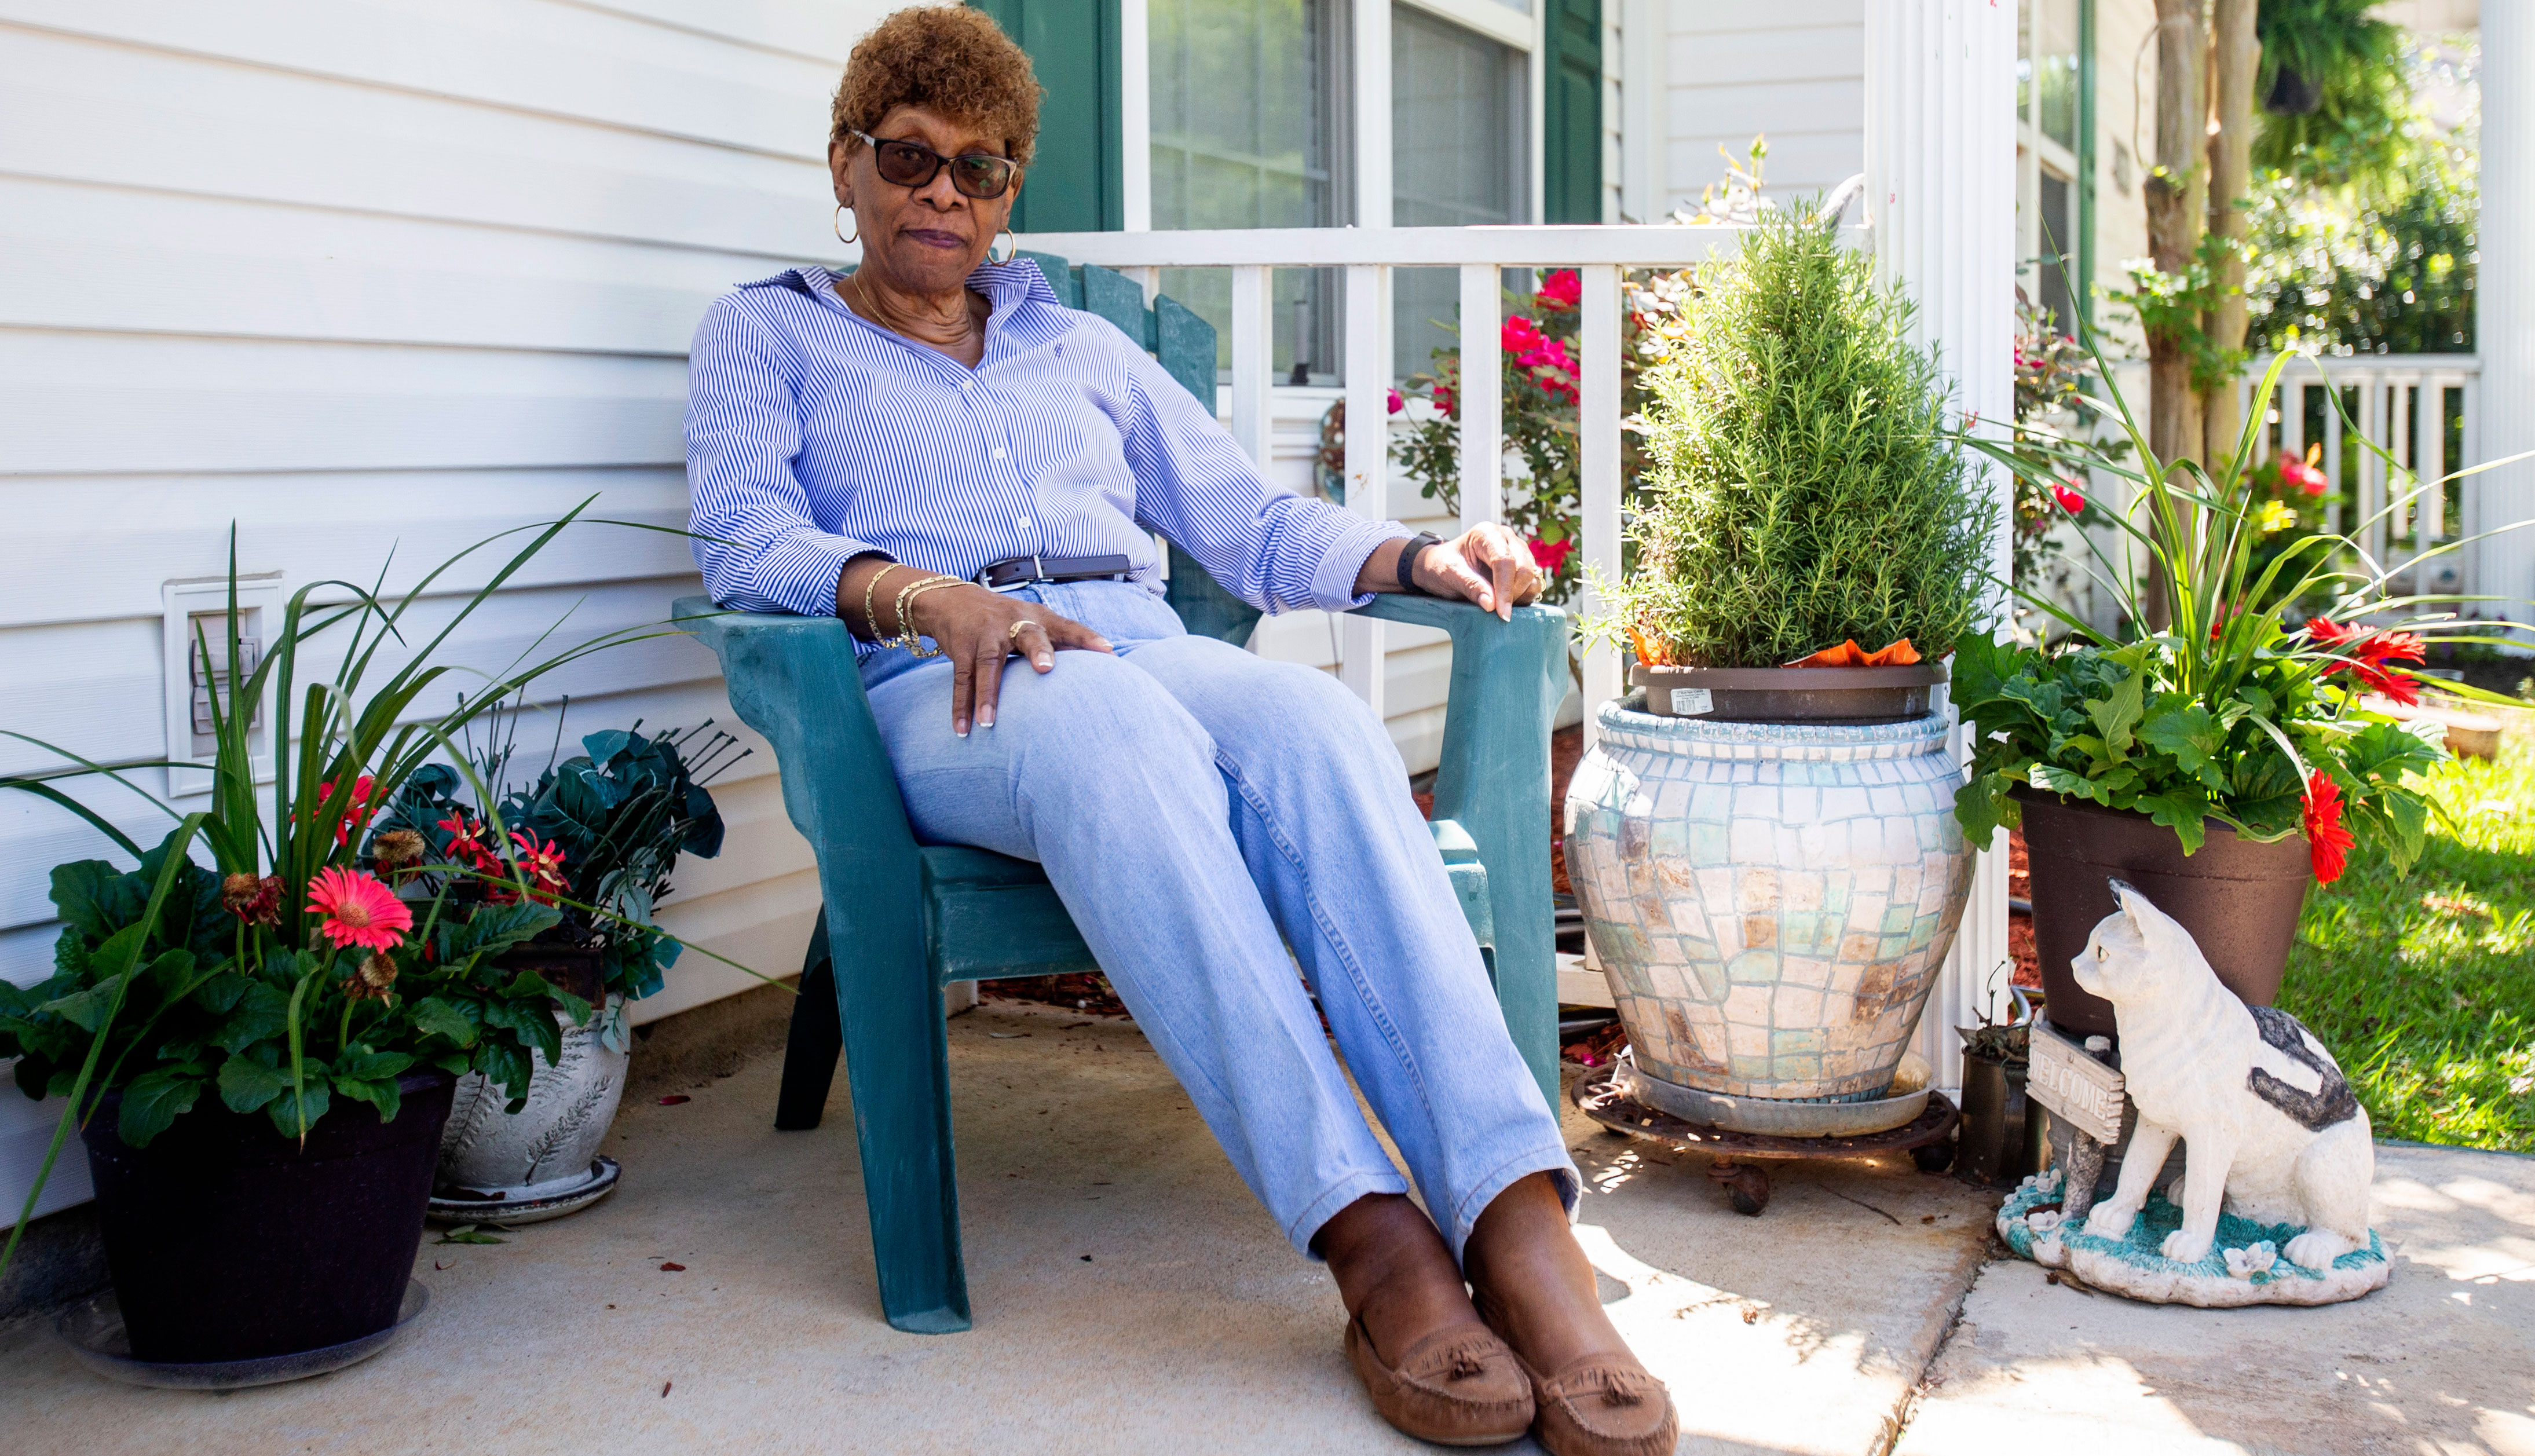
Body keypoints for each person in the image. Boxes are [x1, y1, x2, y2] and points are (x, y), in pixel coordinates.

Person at [685, 9, 1674, 1453]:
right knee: (1104, 733)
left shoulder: (1080, 344)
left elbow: (1249, 526)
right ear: (847, 165)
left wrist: (1419, 558)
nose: (945, 193)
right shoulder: (763, 332)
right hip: (935, 686)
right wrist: (918, 593)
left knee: (1315, 725)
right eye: (910, 159)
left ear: (1010, 188)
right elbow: (743, 538)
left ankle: (1523, 1231)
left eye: (982, 167)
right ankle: (1375, 1243)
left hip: (1137, 643)